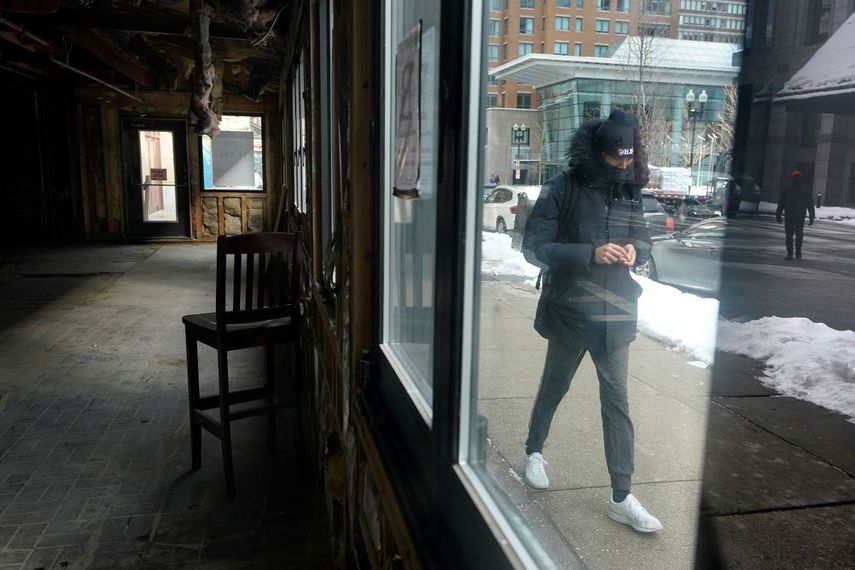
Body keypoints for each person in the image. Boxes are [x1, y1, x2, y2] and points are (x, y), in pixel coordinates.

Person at [521, 110, 663, 533]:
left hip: (616, 312)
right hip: (571, 307)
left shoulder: (630, 191)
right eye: (615, 159)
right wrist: (590, 252)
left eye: (627, 159)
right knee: (555, 385)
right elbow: (535, 246)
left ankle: (621, 497)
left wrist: (636, 250)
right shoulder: (562, 186)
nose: (622, 166)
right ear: (598, 153)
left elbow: (642, 236)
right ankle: (534, 450)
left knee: (617, 402)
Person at [776, 170, 815, 260]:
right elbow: (781, 202)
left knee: (795, 235)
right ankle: (793, 252)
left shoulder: (799, 189)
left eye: (799, 177)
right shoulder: (789, 189)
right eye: (796, 177)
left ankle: (795, 252)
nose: (797, 179)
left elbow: (810, 204)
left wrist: (778, 214)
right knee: (793, 235)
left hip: (796, 216)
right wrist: (778, 213)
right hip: (793, 216)